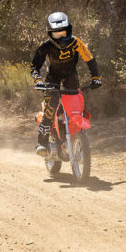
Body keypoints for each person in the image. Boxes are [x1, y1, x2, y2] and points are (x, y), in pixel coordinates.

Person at [30, 12, 101, 156]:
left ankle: (77, 135)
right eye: (56, 35)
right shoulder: (46, 46)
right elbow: (34, 66)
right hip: (53, 78)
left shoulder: (76, 42)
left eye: (63, 33)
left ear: (69, 30)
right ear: (50, 34)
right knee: (51, 106)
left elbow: (90, 59)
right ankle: (42, 143)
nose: (61, 37)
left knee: (77, 103)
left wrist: (96, 77)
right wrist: (38, 80)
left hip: (70, 75)